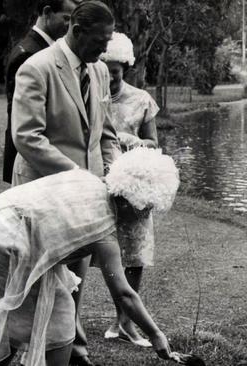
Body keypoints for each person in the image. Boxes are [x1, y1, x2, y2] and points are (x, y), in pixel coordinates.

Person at [0, 148, 189, 366]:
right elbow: (124, 294)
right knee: (58, 323)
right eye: (146, 209)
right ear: (131, 203)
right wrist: (156, 334)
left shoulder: (89, 181)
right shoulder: (104, 231)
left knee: (24, 311)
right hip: (3, 238)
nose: (146, 216)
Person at [10, 2, 120, 365]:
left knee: (76, 278)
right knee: (35, 282)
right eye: (100, 41)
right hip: (43, 192)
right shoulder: (36, 68)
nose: (105, 50)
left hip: (86, 199)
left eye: (108, 42)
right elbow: (27, 137)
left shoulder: (100, 71)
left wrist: (116, 174)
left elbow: (106, 134)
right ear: (76, 30)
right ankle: (21, 351)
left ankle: (74, 350)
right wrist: (78, 175)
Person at [98, 31, 160, 347]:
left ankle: (123, 322)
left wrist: (136, 142)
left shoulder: (141, 100)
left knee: (134, 254)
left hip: (134, 184)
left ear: (125, 69)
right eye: (104, 72)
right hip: (99, 182)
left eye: (115, 74)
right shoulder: (91, 97)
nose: (109, 80)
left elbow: (154, 143)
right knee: (103, 251)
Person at [3, 0, 79, 184]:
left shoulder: (46, 49)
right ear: (47, 12)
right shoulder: (29, 54)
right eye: (66, 18)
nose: (70, 26)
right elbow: (21, 119)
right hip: (32, 162)